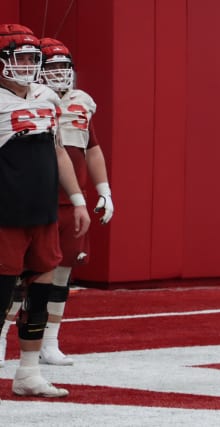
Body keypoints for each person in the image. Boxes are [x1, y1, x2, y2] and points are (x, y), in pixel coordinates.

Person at [0, 23, 91, 397]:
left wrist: (79, 198)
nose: (26, 65)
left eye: (31, 58)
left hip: (44, 209)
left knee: (40, 292)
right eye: (19, 57)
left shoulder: (46, 97)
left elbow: (58, 151)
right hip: (6, 211)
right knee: (2, 292)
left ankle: (28, 371)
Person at [37, 37, 112, 365]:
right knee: (19, 273)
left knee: (62, 273)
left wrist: (104, 189)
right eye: (50, 67)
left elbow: (91, 148)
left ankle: (49, 340)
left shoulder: (81, 102)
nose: (58, 74)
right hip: (33, 197)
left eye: (63, 67)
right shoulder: (27, 101)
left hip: (72, 201)